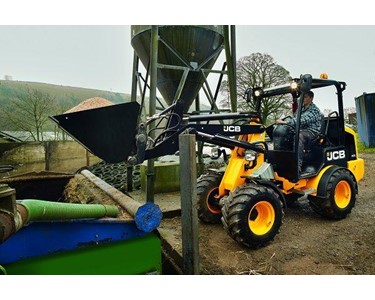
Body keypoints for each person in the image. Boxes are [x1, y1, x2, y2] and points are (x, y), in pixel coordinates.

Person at [275, 91, 323, 175]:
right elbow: (295, 117)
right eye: (302, 97)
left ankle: (297, 166)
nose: (302, 99)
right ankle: (280, 163)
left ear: (311, 98)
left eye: (305, 97)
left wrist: (286, 122)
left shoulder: (314, 110)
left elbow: (301, 120)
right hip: (300, 130)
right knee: (285, 135)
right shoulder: (301, 108)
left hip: (312, 132)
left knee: (299, 136)